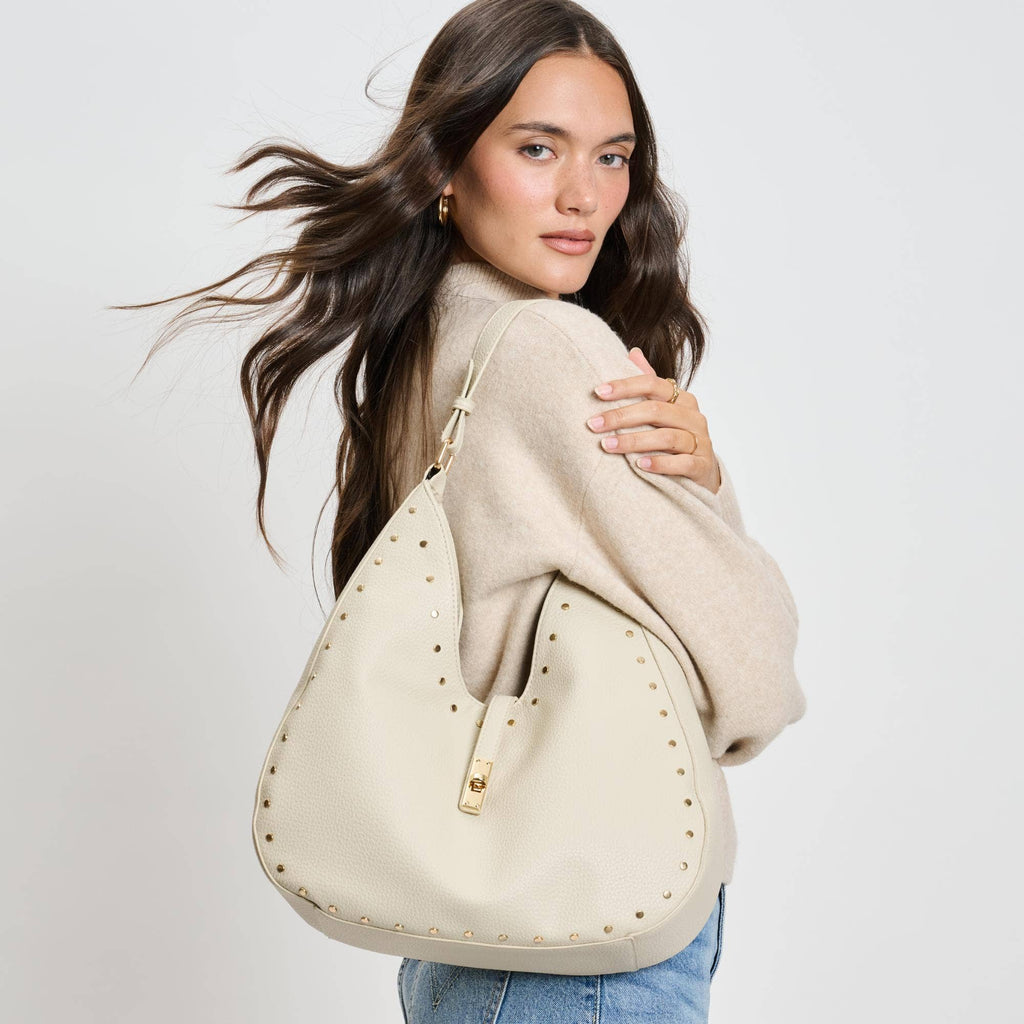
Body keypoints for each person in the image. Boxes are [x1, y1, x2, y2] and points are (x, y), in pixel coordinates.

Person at [117, 1, 806, 1020]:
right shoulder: (545, 348)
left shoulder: (426, 345)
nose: (583, 195)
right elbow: (755, 674)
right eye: (538, 148)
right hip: (584, 938)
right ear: (447, 166)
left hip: (483, 941)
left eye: (613, 158)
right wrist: (705, 486)